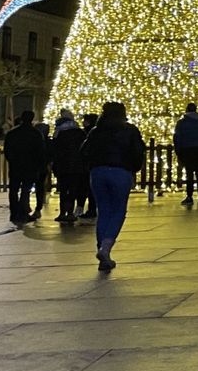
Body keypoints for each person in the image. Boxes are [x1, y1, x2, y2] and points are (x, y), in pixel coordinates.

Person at [80, 101, 146, 270]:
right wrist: (134, 168)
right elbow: (138, 152)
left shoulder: (96, 131)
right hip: (120, 172)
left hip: (98, 172)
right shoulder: (129, 130)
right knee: (118, 210)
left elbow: (84, 151)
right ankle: (106, 247)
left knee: (104, 211)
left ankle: (102, 251)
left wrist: (92, 165)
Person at [2, 110, 45, 224]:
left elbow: (7, 150)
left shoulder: (12, 133)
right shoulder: (36, 134)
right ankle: (23, 213)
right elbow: (40, 151)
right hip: (30, 166)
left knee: (14, 190)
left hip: (16, 165)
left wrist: (12, 160)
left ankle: (14, 213)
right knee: (25, 190)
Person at [50, 109, 86, 223]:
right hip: (76, 166)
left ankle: (62, 212)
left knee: (63, 189)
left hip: (62, 166)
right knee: (73, 189)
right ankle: (70, 212)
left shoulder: (58, 134)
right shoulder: (80, 133)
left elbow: (55, 151)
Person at [173, 102, 198, 206]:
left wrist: (179, 150)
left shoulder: (182, 122)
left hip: (187, 149)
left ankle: (189, 196)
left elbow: (177, 137)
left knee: (189, 173)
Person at [76, 113, 99, 221]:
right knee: (92, 190)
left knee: (85, 188)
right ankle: (92, 209)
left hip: (86, 166)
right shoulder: (98, 132)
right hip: (95, 165)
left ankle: (88, 209)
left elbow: (83, 150)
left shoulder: (87, 133)